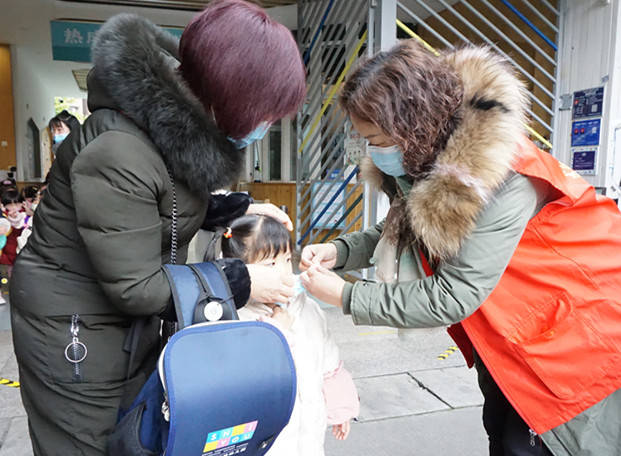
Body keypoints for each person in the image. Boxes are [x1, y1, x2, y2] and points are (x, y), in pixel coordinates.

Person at [9, 1, 306, 455]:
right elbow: (136, 286)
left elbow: (164, 204)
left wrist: (236, 207)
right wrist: (243, 282)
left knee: (136, 438)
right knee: (91, 445)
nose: (265, 126)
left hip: (118, 326)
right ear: (230, 97)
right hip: (73, 333)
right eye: (264, 113)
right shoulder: (118, 151)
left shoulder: (167, 129)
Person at [300, 40, 621, 456]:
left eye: (376, 138)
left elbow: (454, 295)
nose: (373, 152)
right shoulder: (427, 158)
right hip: (514, 334)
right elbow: (406, 225)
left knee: (536, 443)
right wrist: (341, 252)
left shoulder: (505, 178)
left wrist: (347, 296)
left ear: (411, 125)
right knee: (503, 433)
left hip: (572, 338)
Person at [221, 214, 359, 455]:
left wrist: (340, 405)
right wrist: (278, 332)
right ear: (240, 270)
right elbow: (245, 382)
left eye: (286, 259)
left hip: (309, 435)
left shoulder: (306, 306)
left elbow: (328, 360)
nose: (284, 272)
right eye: (270, 265)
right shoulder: (233, 318)